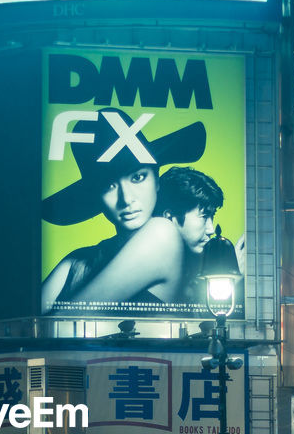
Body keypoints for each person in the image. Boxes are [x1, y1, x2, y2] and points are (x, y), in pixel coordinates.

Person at [40, 108, 206, 311]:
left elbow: (66, 321)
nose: (126, 199)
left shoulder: (162, 233)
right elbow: (27, 327)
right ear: (96, 196)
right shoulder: (77, 260)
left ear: (157, 181)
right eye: (108, 186)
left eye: (137, 177)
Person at [156, 166, 227, 301]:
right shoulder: (146, 264)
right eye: (204, 216)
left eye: (212, 216)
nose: (211, 230)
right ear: (170, 218)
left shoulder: (199, 265)